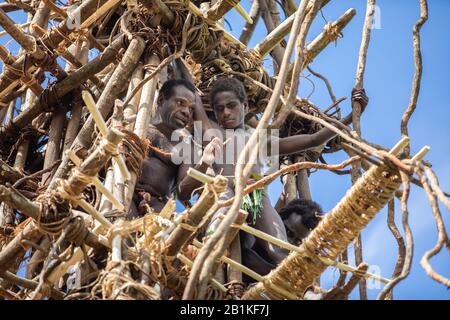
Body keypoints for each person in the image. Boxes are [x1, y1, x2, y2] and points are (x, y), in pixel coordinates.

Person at [177, 77, 368, 275]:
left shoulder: (260, 141)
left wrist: (352, 115)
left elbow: (313, 139)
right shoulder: (210, 133)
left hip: (256, 195)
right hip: (225, 190)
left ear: (245, 106)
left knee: (279, 250)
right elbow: (194, 97)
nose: (226, 113)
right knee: (218, 225)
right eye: (220, 108)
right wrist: (177, 58)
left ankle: (305, 288)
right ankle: (209, 252)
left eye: (231, 106)